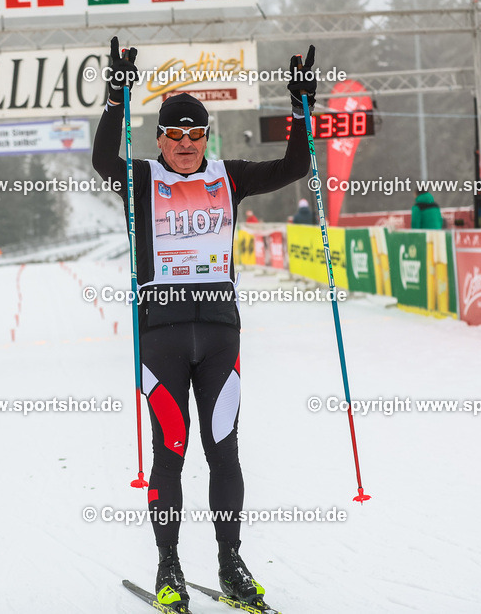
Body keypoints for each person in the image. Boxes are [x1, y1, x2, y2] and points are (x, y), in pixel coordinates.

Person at [93, 38, 315, 612]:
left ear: (206, 137)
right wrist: (116, 97)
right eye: (176, 136)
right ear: (160, 138)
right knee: (170, 451)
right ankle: (169, 565)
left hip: (219, 331)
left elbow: (295, 166)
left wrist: (300, 111)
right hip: (161, 335)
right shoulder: (140, 180)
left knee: (224, 449)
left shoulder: (229, 175)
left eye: (196, 136)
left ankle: (230, 562)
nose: (187, 146)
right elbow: (101, 161)